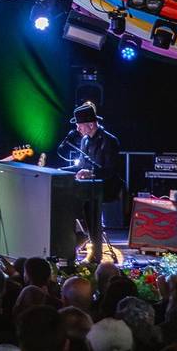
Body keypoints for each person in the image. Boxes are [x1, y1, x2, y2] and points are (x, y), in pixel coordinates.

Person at [60, 102, 120, 261]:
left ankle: (94, 250)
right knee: (67, 202)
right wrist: (60, 171)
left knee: (88, 204)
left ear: (91, 125)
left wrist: (91, 173)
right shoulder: (85, 140)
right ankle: (80, 237)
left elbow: (110, 170)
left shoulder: (109, 141)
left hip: (106, 187)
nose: (77, 128)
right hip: (88, 188)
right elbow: (81, 166)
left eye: (80, 125)